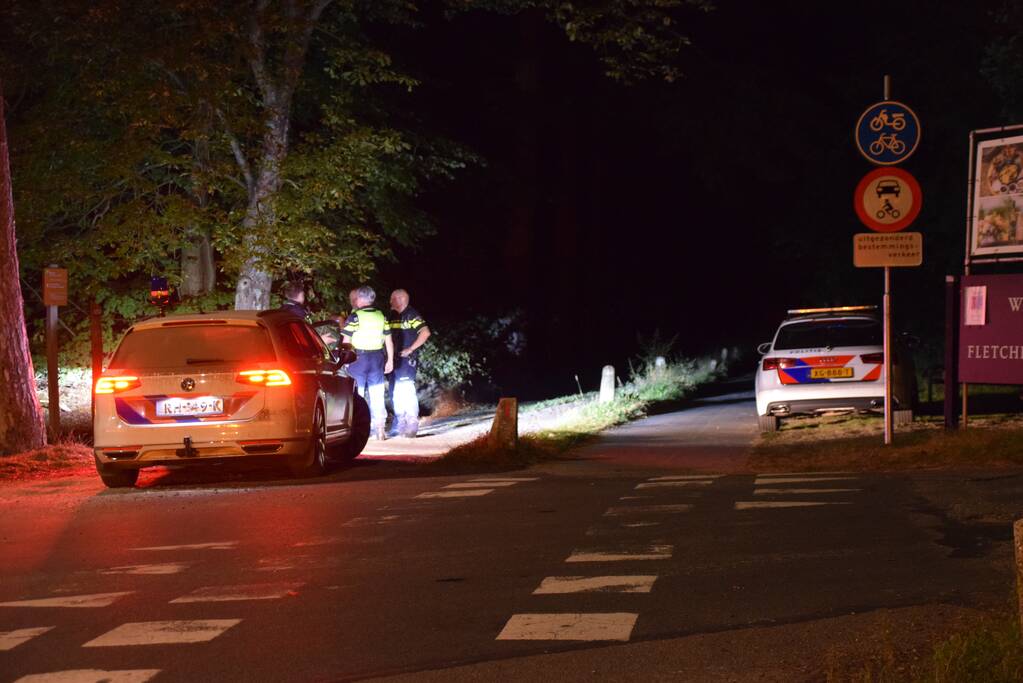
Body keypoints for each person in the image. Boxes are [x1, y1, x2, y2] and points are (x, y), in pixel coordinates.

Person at [342, 285, 394, 440]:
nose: (355, 300)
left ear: (361, 299)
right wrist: (390, 360)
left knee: (357, 395)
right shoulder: (381, 316)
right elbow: (389, 340)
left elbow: (346, 340)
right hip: (377, 359)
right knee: (377, 393)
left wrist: (344, 360)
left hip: (358, 359)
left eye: (357, 297)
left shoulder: (355, 317)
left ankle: (357, 429)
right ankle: (380, 429)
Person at [387, 288, 431, 438]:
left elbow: (425, 332)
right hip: (394, 360)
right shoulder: (393, 316)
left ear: (401, 299)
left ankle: (412, 423)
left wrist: (411, 349)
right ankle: (401, 423)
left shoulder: (411, 315)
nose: (390, 301)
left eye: (392, 299)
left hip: (406, 361)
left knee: (405, 390)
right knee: (395, 392)